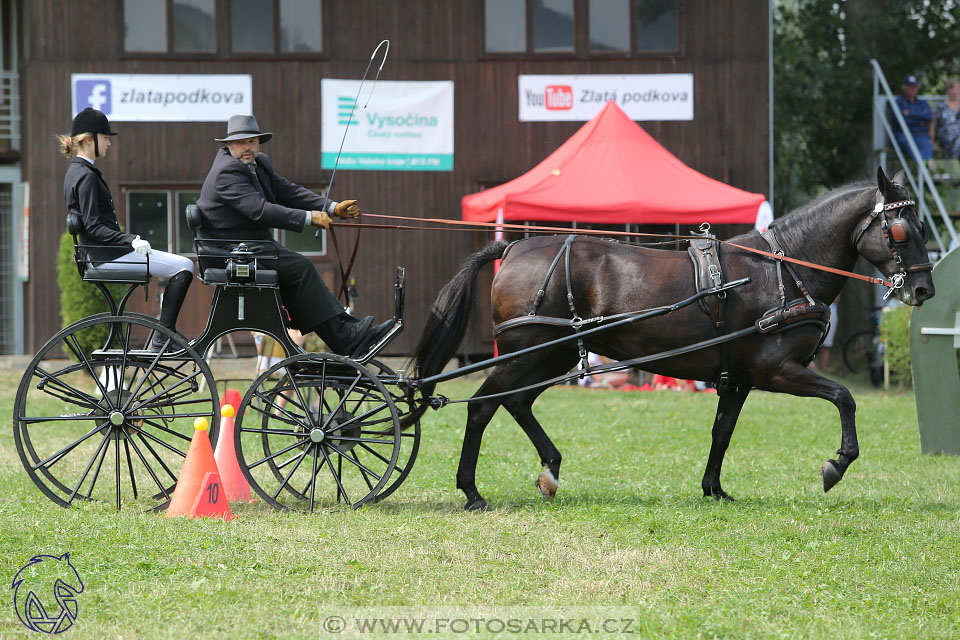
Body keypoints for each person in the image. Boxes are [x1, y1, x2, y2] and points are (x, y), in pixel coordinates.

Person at [195, 114, 393, 356]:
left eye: (252, 142)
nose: (247, 147)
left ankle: (346, 333)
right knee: (301, 267)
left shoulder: (258, 163)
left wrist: (331, 207)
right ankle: (344, 336)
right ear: (229, 145)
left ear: (259, 143)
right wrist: (309, 218)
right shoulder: (227, 173)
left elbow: (287, 191)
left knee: (297, 271)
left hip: (252, 246)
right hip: (231, 251)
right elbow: (260, 210)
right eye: (240, 142)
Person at [61, 108, 194, 348]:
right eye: (105, 137)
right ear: (89, 139)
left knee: (179, 265)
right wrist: (130, 239)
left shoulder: (76, 172)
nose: (109, 144)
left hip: (101, 255)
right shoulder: (86, 176)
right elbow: (93, 226)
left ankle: (163, 335)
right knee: (185, 266)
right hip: (108, 257)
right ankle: (164, 336)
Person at [890, 75, 934, 163]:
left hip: (920, 134)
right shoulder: (898, 103)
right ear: (904, 87)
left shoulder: (922, 103)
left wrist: (909, 114)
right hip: (903, 134)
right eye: (911, 87)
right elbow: (900, 120)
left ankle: (925, 168)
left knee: (926, 142)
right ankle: (923, 168)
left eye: (915, 87)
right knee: (910, 143)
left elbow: (928, 117)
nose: (913, 89)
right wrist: (920, 119)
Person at [935, 78, 960, 160]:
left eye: (957, 89)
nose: (954, 92)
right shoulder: (940, 106)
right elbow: (933, 125)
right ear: (947, 90)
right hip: (947, 138)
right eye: (952, 89)